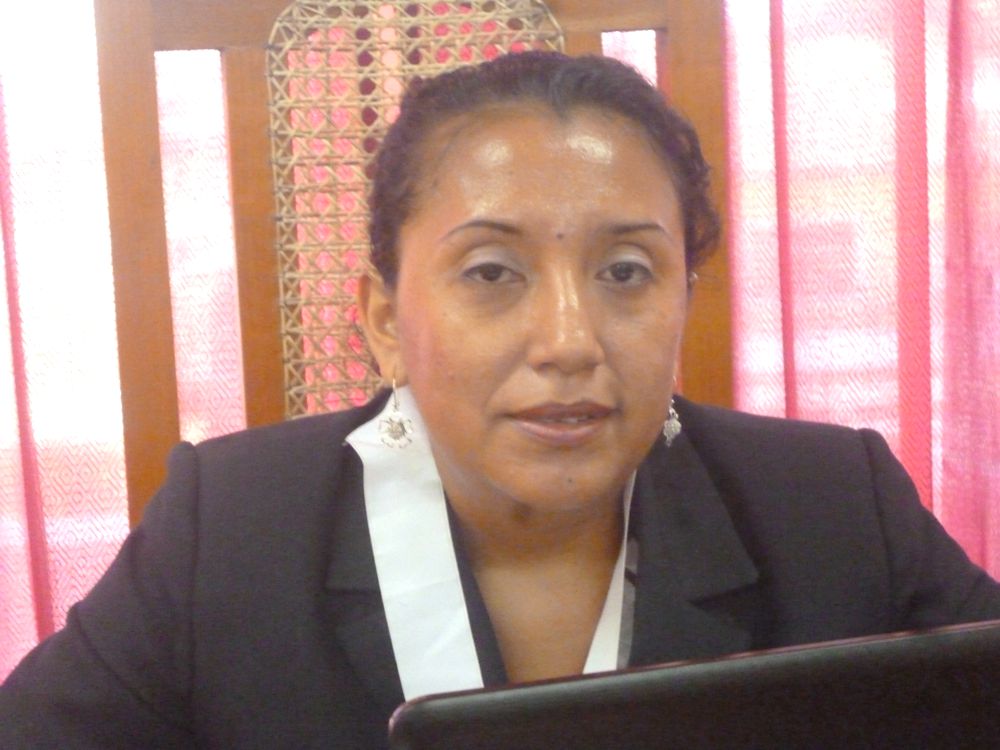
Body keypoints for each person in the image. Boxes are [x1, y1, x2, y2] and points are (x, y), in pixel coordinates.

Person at [2, 50, 999, 749]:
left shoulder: (834, 509)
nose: (568, 341)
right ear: (384, 319)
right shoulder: (226, 530)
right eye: (491, 272)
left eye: (625, 272)